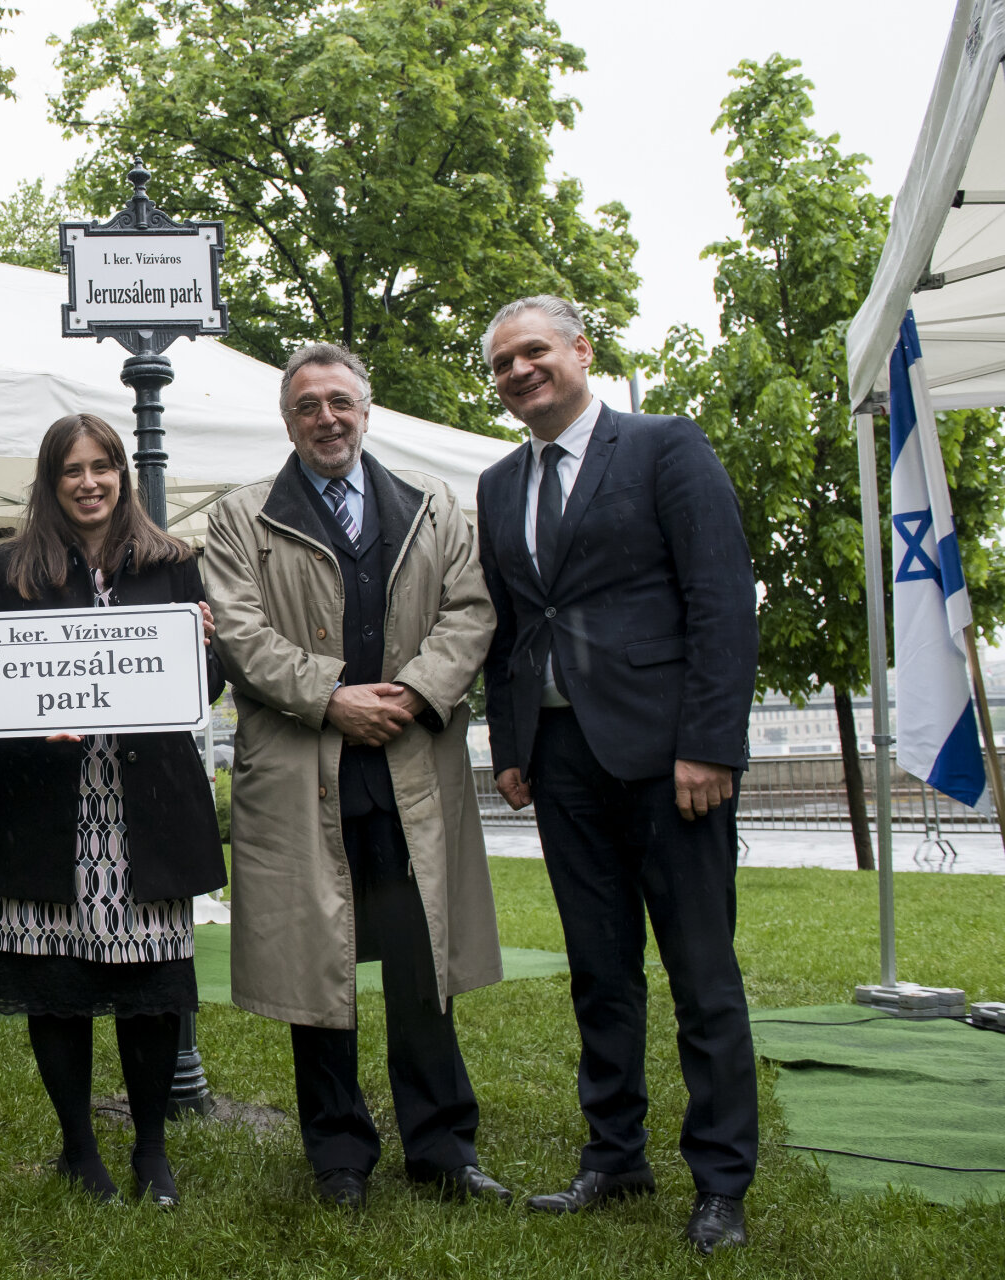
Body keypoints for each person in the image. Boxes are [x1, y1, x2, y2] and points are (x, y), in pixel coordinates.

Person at [475, 296, 758, 1254]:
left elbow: (721, 597)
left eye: (534, 352)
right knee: (600, 974)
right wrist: (510, 746)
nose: (518, 371)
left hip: (671, 762)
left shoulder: (665, 447)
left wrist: (710, 743)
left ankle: (721, 1182)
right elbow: (513, 628)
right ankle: (614, 1158)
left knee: (701, 975)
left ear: (580, 352)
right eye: (502, 362)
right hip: (560, 766)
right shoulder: (497, 483)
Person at [202, 342, 507, 1212]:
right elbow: (240, 632)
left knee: (422, 966)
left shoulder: (433, 506)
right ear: (287, 420)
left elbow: (470, 610)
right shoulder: (241, 518)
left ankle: (443, 1149)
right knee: (316, 970)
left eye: (340, 401)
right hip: (307, 772)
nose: (325, 418)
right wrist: (331, 697)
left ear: (365, 408)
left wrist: (411, 694)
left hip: (409, 770)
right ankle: (337, 1155)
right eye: (307, 406)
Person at [0, 414, 226, 1207]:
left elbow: (201, 696)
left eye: (103, 467)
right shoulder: (10, 569)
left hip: (144, 807)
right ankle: (79, 1151)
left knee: (150, 991)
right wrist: (29, 713)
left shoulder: (176, 563)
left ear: (123, 475)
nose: (89, 482)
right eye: (71, 470)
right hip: (42, 804)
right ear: (50, 481)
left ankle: (152, 1153)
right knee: (57, 987)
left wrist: (205, 650)